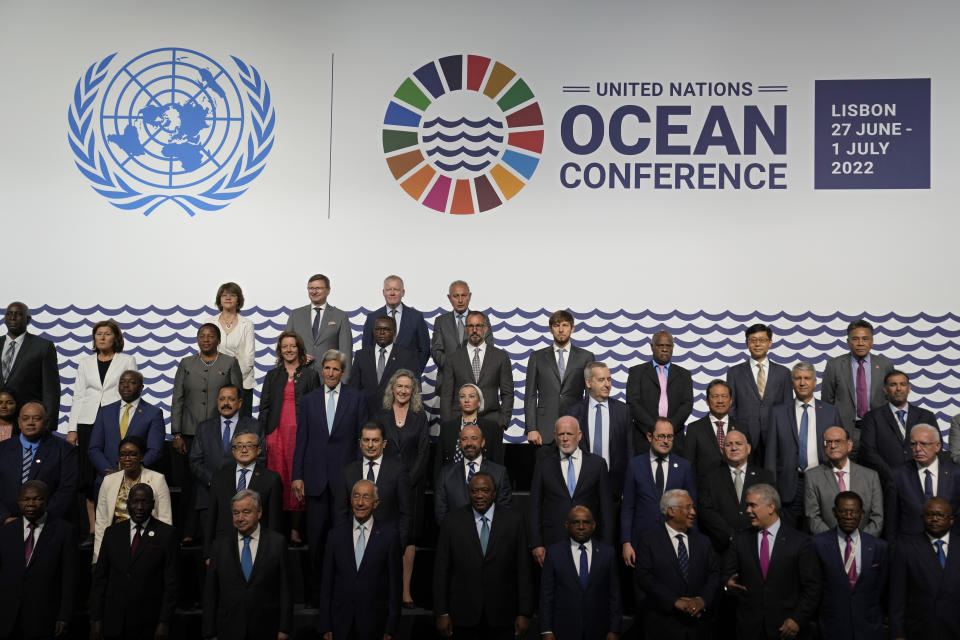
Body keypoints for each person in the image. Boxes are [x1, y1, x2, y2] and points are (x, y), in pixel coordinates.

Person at [292, 349, 368, 584]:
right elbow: (301, 440)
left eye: (336, 369)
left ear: (342, 372)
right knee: (316, 541)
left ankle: (343, 588)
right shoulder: (309, 400)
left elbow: (361, 441)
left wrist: (359, 477)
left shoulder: (356, 398)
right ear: (321, 369)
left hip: (345, 484)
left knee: (345, 542)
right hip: (315, 482)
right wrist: (297, 476)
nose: (331, 372)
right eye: (327, 368)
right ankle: (316, 592)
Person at [433, 473, 532, 640]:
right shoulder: (452, 521)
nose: (479, 495)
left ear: (495, 493)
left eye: (485, 491)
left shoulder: (514, 520)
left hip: (503, 615)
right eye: (474, 491)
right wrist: (441, 612)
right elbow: (441, 570)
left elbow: (523, 569)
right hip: (463, 616)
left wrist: (524, 612)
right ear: (468, 492)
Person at [67, 320, 139, 544]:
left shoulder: (127, 360)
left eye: (107, 334)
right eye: (98, 334)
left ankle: (118, 524)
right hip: (87, 422)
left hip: (114, 421)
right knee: (88, 477)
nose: (102, 337)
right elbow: (78, 395)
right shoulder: (85, 362)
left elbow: (132, 391)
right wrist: (72, 428)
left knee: (112, 471)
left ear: (115, 338)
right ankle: (92, 530)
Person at [170, 323, 242, 541]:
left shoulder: (230, 363)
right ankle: (189, 531)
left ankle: (220, 529)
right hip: (190, 433)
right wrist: (177, 433)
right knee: (191, 484)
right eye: (202, 336)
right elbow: (178, 398)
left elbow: (238, 397)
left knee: (218, 480)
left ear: (218, 339)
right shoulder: (186, 363)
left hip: (219, 432)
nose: (206, 339)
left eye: (211, 336)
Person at [723, 484, 821, 640]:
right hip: (749, 628)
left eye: (752, 505)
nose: (748, 511)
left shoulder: (800, 542)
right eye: (747, 506)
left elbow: (812, 588)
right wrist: (728, 586)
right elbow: (727, 577)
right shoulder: (739, 540)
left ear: (771, 507)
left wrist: (797, 619)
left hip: (786, 628)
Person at [90, 483, 178, 640]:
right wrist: (96, 619)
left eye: (144, 502)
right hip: (114, 620)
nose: (139, 507)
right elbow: (100, 579)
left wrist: (164, 621)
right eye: (135, 501)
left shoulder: (166, 534)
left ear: (152, 504)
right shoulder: (112, 533)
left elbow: (171, 582)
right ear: (127, 503)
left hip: (149, 621)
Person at [203, 489, 292, 640]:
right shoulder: (219, 546)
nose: (240, 518)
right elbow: (211, 593)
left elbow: (286, 589)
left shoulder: (277, 543)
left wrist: (284, 628)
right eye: (236, 513)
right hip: (229, 628)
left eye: (246, 512)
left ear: (259, 513)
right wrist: (210, 632)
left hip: (267, 628)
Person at [318, 479, 402, 640]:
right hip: (340, 622)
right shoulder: (335, 536)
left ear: (376, 503)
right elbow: (327, 583)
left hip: (375, 624)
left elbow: (395, 586)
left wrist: (391, 627)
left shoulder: (390, 536)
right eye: (356, 497)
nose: (360, 503)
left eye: (366, 497)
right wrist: (325, 624)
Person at [258, 330, 320, 545]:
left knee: (297, 479)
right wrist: (265, 434)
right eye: (285, 346)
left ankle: (294, 529)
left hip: (300, 435)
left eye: (293, 346)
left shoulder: (311, 375)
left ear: (300, 349)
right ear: (279, 350)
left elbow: (317, 407)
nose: (289, 350)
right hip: (276, 435)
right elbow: (264, 407)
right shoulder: (272, 375)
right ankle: (276, 528)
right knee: (277, 480)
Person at [764, 362, 842, 528]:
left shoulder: (830, 411)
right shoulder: (778, 412)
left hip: (822, 482)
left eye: (807, 378)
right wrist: (772, 490)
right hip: (790, 485)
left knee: (820, 534)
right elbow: (770, 455)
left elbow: (840, 451)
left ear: (815, 382)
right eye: (798, 378)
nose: (802, 382)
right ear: (792, 382)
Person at [375, 369, 429, 607]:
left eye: (408, 387)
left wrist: (409, 479)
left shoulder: (419, 417)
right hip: (386, 484)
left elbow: (423, 451)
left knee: (408, 539)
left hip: (412, 486)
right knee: (385, 535)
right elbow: (375, 447)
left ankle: (406, 591)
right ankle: (384, 589)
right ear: (392, 389)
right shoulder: (381, 414)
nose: (403, 391)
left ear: (413, 391)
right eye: (399, 386)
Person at [529, 416, 614, 567]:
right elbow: (534, 507)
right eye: (561, 434)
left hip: (590, 541)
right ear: (555, 436)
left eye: (569, 434)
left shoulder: (597, 464)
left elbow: (606, 509)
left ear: (579, 435)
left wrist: (606, 545)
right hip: (552, 541)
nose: (565, 439)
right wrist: (536, 543)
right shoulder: (543, 465)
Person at [636, 490, 719, 640]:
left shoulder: (703, 541)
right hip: (663, 625)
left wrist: (702, 599)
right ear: (671, 511)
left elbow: (714, 574)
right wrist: (674, 601)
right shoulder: (649, 541)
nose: (693, 512)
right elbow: (644, 578)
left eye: (693, 507)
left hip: (699, 626)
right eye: (688, 507)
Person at [0, 480, 76, 640]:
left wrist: (64, 615)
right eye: (26, 499)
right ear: (19, 502)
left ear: (46, 501)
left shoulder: (64, 531)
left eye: (36, 499)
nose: (30, 504)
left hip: (44, 618)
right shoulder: (6, 532)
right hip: (7, 618)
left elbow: (69, 578)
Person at [190, 385, 264, 542]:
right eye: (222, 399)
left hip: (244, 496)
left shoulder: (254, 426)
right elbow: (195, 460)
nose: (226, 403)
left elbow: (261, 458)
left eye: (231, 399)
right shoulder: (204, 427)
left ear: (240, 402)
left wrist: (238, 483)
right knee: (213, 550)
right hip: (209, 497)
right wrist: (214, 481)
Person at [811, 491, 889, 640]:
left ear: (861, 514)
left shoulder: (879, 546)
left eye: (853, 512)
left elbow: (882, 588)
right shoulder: (817, 544)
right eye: (843, 511)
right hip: (831, 625)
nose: (848, 516)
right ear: (835, 512)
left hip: (868, 626)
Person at [621, 417, 697, 567]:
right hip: (641, 541)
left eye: (669, 437)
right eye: (661, 436)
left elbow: (692, 509)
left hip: (676, 541)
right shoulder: (635, 465)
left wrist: (692, 542)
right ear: (650, 437)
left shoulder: (684, 467)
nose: (666, 441)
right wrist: (626, 542)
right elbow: (628, 508)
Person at [540, 506, 622, 640]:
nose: (581, 526)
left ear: (594, 525)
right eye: (575, 522)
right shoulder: (554, 553)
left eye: (586, 522)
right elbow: (546, 594)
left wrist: (615, 629)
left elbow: (614, 595)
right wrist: (546, 630)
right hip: (563, 630)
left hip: (599, 631)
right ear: (567, 525)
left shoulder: (608, 553)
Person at [821, 319, 895, 459]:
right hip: (845, 433)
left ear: (872, 341)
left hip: (877, 432)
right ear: (848, 342)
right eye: (855, 339)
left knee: (876, 476)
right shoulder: (834, 365)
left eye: (865, 339)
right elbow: (827, 402)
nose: (860, 343)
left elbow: (890, 401)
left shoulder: (885, 365)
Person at [93, 435, 172, 563]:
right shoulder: (109, 481)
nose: (127, 459)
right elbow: (101, 521)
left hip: (147, 543)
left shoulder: (157, 480)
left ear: (142, 456)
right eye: (123, 455)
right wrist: (97, 557)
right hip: (116, 543)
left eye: (132, 454)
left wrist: (163, 554)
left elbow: (165, 519)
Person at [336, 423, 411, 556]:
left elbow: (405, 513)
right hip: (353, 545)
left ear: (384, 443)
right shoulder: (347, 472)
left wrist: (398, 546)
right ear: (360, 443)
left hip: (387, 547)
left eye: (375, 440)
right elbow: (341, 513)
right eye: (366, 440)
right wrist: (344, 544)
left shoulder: (398, 471)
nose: (370, 445)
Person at [890, 497, 960, 639]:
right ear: (922, 518)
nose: (934, 519)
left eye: (940, 515)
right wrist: (898, 634)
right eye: (929, 515)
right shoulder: (906, 548)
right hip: (920, 630)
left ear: (951, 519)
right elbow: (897, 596)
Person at [204, 431, 282, 560]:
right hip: (224, 546)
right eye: (239, 446)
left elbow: (274, 521)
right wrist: (208, 553)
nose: (244, 450)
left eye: (249, 445)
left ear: (258, 450)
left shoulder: (271, 479)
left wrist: (273, 553)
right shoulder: (219, 478)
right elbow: (212, 516)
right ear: (233, 451)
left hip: (259, 548)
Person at [698, 429, 775, 554]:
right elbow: (706, 511)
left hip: (758, 543)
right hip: (722, 547)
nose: (734, 448)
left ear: (748, 448)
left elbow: (771, 509)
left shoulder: (765, 477)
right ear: (722, 451)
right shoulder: (710, 478)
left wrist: (751, 536)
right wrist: (730, 535)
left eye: (738, 443)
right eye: (728, 445)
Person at [524, 310, 595, 445]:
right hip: (544, 430)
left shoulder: (586, 357)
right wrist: (531, 428)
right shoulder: (537, 357)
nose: (561, 330)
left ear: (572, 328)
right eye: (556, 326)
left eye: (565, 325)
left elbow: (589, 396)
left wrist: (586, 427)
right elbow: (530, 395)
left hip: (576, 425)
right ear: (551, 329)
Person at [0, 402, 77, 524]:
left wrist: (41, 519)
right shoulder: (2, 449)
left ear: (46, 422)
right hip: (7, 526)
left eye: (37, 418)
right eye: (25, 418)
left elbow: (67, 490)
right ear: (19, 422)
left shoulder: (64, 450)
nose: (30, 422)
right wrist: (4, 517)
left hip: (48, 525)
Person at [566, 361, 634, 499]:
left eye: (609, 379)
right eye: (601, 380)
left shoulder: (623, 411)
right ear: (588, 382)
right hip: (582, 487)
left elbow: (630, 451)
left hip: (615, 488)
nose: (607, 384)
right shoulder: (574, 412)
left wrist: (628, 486)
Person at [439, 311, 514, 435]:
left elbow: (508, 393)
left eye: (478, 326)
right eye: (470, 326)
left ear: (485, 328)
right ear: (465, 329)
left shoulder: (500, 357)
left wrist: (503, 422)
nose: (474, 330)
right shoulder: (453, 358)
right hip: (460, 423)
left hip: (493, 422)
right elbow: (446, 395)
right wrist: (448, 425)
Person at [726, 324, 792, 463]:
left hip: (775, 437)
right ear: (747, 343)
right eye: (753, 340)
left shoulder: (783, 373)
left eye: (762, 340)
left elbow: (787, 408)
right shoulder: (734, 372)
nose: (757, 344)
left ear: (770, 343)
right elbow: (731, 408)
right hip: (745, 437)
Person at [860, 369, 940, 482]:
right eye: (893, 385)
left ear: (909, 388)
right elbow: (868, 451)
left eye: (903, 384)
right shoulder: (872, 417)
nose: (898, 389)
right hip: (886, 479)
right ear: (885, 389)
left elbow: (936, 446)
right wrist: (890, 473)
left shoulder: (926, 416)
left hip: (920, 478)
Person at [88, 370, 165, 486]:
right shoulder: (105, 411)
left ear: (141, 387)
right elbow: (94, 448)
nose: (125, 385)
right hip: (107, 479)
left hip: (139, 480)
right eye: (122, 382)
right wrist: (110, 473)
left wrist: (132, 470)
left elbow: (155, 450)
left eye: (132, 382)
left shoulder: (153, 413)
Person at [885, 423, 960, 540]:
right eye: (913, 444)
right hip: (910, 546)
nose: (918, 449)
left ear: (938, 446)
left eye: (924, 444)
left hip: (950, 546)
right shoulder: (897, 475)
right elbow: (891, 519)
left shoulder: (956, 474)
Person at [804, 426, 883, 536]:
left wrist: (860, 542)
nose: (833, 446)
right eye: (828, 442)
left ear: (849, 445)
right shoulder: (813, 477)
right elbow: (812, 517)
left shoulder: (870, 476)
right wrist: (833, 542)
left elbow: (877, 518)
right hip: (828, 544)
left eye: (838, 441)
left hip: (863, 544)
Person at [625, 331, 693, 453]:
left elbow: (687, 405)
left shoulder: (684, 375)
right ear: (652, 347)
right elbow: (633, 403)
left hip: (675, 439)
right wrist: (655, 429)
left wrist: (668, 430)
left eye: (668, 346)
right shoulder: (636, 372)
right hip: (644, 439)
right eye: (660, 345)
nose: (664, 349)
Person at [435, 424, 512, 524]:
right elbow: (441, 513)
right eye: (464, 439)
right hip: (456, 535)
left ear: (482, 442)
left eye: (474, 438)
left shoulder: (499, 473)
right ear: (460, 443)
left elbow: (504, 511)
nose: (469, 443)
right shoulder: (446, 474)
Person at [0, 302, 60, 431]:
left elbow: (51, 391)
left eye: (18, 314)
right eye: (9, 314)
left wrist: (48, 427)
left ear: (28, 319)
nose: (13, 318)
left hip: (28, 423)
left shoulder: (43, 347)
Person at [284, 273, 353, 379]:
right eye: (311, 288)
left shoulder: (340, 316)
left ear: (328, 290)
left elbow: (346, 353)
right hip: (299, 376)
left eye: (318, 288)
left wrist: (344, 383)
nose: (314, 291)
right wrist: (298, 358)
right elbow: (284, 346)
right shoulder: (295, 314)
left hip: (329, 378)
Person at [430, 280, 493, 391]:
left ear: (470, 296)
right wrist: (454, 368)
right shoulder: (440, 321)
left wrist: (468, 371)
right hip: (448, 382)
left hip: (476, 382)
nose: (460, 300)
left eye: (463, 295)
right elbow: (436, 351)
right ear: (449, 298)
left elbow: (488, 349)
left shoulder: (482, 318)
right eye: (456, 296)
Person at [205, 282, 256, 416]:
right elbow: (206, 353)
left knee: (242, 429)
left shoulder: (247, 324)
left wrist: (233, 381)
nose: (228, 298)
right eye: (224, 295)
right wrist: (219, 380)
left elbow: (248, 357)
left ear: (238, 299)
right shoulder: (209, 322)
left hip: (243, 383)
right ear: (219, 299)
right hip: (214, 383)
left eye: (233, 295)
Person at [350, 315, 420, 413]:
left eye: (386, 329)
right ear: (373, 331)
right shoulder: (361, 355)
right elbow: (354, 388)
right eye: (378, 329)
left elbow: (414, 387)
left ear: (394, 332)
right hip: (365, 413)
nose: (381, 333)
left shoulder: (407, 356)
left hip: (395, 414)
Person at [361, 274, 431, 372]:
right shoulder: (372, 318)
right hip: (379, 378)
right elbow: (366, 349)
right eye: (389, 289)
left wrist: (414, 372)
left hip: (408, 379)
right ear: (383, 292)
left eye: (396, 289)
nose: (392, 293)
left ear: (403, 292)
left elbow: (425, 349)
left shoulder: (416, 317)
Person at [683, 380, 749, 482]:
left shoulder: (742, 428)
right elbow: (688, 465)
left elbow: (750, 463)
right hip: (705, 491)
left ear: (731, 401)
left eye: (724, 396)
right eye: (715, 396)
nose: (720, 401)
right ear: (707, 401)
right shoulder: (694, 428)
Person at [437, 382, 505, 466]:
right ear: (459, 402)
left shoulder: (492, 428)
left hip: (482, 477)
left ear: (479, 402)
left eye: (471, 396)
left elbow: (498, 462)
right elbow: (439, 462)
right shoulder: (447, 428)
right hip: (453, 477)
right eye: (462, 396)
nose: (466, 400)